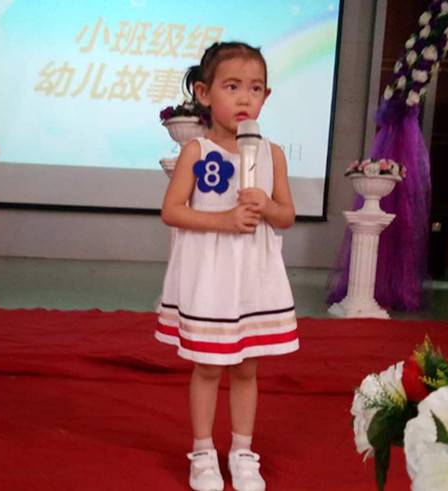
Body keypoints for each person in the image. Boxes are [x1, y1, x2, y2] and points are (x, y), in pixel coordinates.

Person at [155, 41, 299, 491]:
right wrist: (224, 220)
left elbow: (286, 215)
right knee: (208, 366)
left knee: (247, 367)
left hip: (253, 276)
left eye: (254, 88)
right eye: (232, 86)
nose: (244, 98)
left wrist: (267, 206)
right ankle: (202, 451)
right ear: (204, 92)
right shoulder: (196, 151)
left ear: (266, 96)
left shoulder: (273, 153)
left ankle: (242, 450)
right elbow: (172, 211)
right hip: (212, 276)